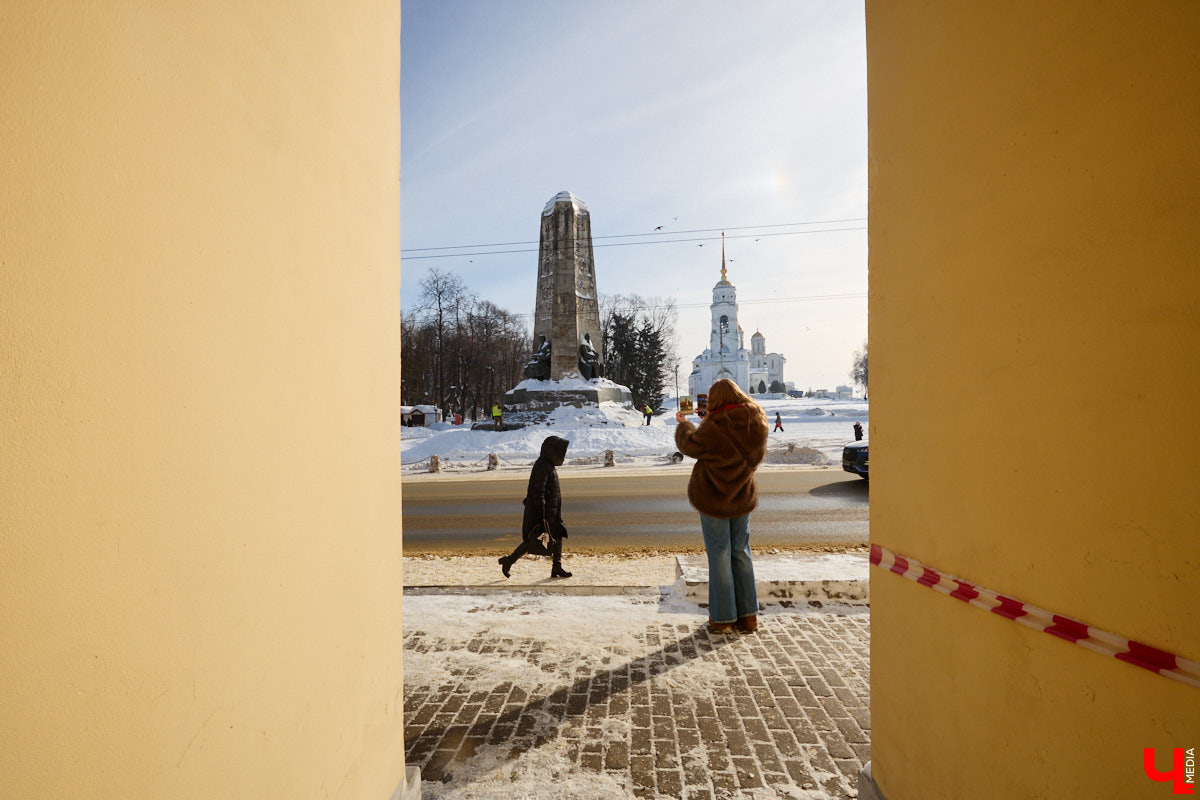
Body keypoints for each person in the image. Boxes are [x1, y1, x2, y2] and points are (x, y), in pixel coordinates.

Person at [674, 378, 768, 634]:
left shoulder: (714, 426)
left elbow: (690, 445)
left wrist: (685, 425)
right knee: (741, 552)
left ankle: (723, 618)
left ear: (715, 401)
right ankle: (749, 617)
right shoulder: (756, 420)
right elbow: (755, 456)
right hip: (741, 496)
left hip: (714, 497)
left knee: (719, 555)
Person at [499, 435, 572, 579]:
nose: (563, 456)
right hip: (543, 512)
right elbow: (538, 492)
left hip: (551, 511)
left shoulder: (548, 464)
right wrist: (542, 515)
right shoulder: (543, 466)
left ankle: (556, 567)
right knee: (532, 541)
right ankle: (508, 561)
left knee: (558, 535)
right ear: (552, 452)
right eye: (560, 453)